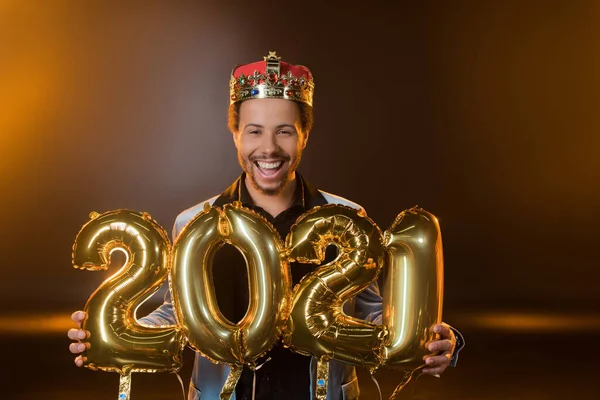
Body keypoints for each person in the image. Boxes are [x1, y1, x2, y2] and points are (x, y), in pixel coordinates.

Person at [68, 51, 465, 400]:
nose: (269, 148)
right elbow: (177, 315)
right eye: (255, 131)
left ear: (305, 135)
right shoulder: (193, 222)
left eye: (285, 131)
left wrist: (429, 340)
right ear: (236, 135)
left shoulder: (349, 217)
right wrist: (109, 328)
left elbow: (373, 315)